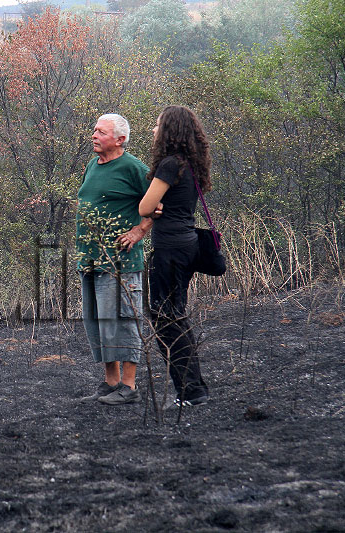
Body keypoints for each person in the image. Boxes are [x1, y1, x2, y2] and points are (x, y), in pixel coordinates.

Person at [76, 114, 153, 405]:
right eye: (94, 130)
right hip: (91, 260)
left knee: (123, 320)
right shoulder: (92, 166)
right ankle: (110, 384)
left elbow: (159, 205)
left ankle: (129, 387)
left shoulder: (134, 167)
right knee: (98, 322)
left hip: (120, 262)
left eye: (101, 132)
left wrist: (139, 231)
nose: (94, 135)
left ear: (120, 140)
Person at [139, 105, 211, 408]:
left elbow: (144, 207)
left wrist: (152, 206)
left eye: (157, 125)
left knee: (166, 319)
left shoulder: (170, 165)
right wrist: (157, 206)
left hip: (170, 249)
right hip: (187, 245)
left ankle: (191, 391)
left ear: (169, 131)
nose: (153, 130)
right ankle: (192, 388)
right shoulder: (190, 164)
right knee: (175, 316)